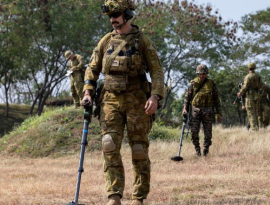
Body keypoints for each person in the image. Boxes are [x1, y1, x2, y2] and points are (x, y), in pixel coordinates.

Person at [81, 0, 164, 204]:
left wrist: (155, 96)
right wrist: (88, 92)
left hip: (137, 100)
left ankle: (138, 196)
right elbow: (92, 68)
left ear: (126, 14)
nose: (112, 19)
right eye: (110, 16)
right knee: (109, 145)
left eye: (116, 15)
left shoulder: (142, 40)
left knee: (138, 149)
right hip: (110, 99)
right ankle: (114, 195)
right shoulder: (105, 41)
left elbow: (157, 71)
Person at [183, 64, 222, 157]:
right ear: (197, 74)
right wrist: (185, 108)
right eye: (200, 74)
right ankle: (197, 150)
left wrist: (219, 113)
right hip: (195, 110)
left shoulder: (211, 83)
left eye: (203, 74)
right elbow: (187, 97)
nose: (202, 75)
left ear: (206, 73)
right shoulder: (193, 83)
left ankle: (206, 149)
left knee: (208, 133)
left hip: (208, 110)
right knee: (194, 132)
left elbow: (216, 99)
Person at [237, 63, 262, 131]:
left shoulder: (248, 76)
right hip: (257, 96)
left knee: (251, 113)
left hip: (250, 97)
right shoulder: (258, 76)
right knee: (256, 112)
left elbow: (245, 86)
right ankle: (257, 128)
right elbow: (261, 86)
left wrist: (240, 93)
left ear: (248, 68)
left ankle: (254, 130)